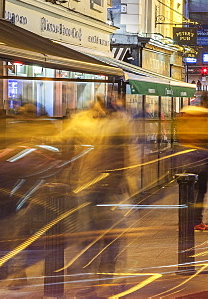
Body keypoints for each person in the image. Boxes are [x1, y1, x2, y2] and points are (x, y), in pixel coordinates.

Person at [57, 95, 136, 281]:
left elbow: (129, 152)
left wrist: (128, 180)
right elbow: (63, 143)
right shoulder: (80, 121)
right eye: (98, 103)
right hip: (85, 184)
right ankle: (86, 275)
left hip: (112, 186)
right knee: (86, 231)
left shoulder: (120, 122)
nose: (101, 107)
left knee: (112, 233)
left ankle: (107, 273)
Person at [175, 93, 208, 231]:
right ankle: (196, 221)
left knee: (186, 192)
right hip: (201, 161)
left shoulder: (185, 115)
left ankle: (184, 220)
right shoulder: (205, 118)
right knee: (199, 192)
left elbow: (179, 136)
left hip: (185, 159)